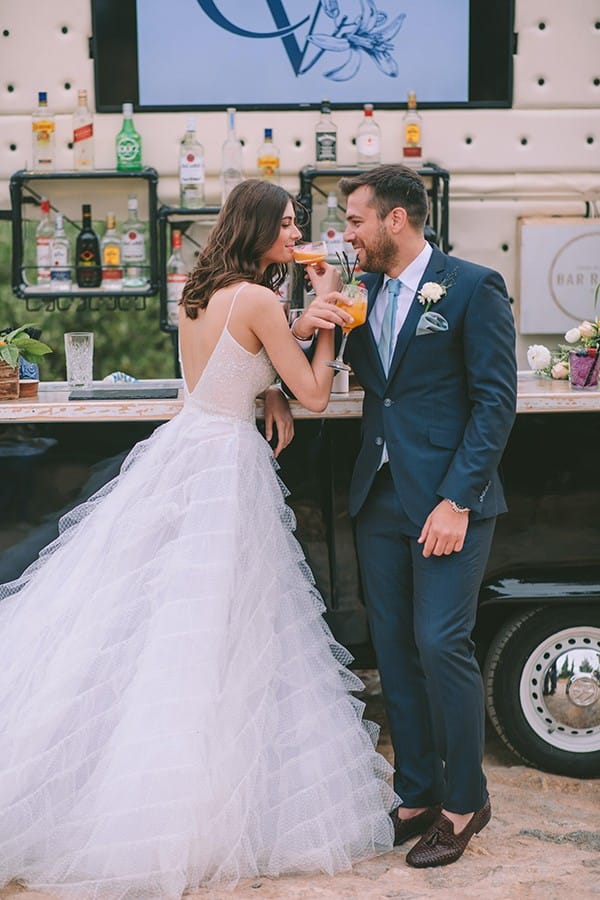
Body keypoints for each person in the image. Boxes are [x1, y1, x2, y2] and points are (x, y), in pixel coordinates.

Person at [0, 179, 397, 899]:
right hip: (225, 469)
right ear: (256, 229)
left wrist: (266, 386)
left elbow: (223, 373)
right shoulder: (260, 300)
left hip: (187, 448)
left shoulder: (200, 291)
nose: (296, 233)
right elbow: (314, 393)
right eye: (286, 223)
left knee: (165, 624)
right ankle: (197, 804)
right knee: (226, 629)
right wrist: (331, 318)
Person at [292, 164, 517, 868]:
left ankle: (466, 801)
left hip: (449, 499)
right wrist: (318, 304)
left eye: (355, 220)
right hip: (379, 496)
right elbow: (320, 372)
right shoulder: (360, 291)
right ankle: (418, 793)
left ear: (396, 219)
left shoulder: (473, 286)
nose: (347, 233)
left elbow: (495, 403)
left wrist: (457, 500)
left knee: (439, 643)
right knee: (393, 650)